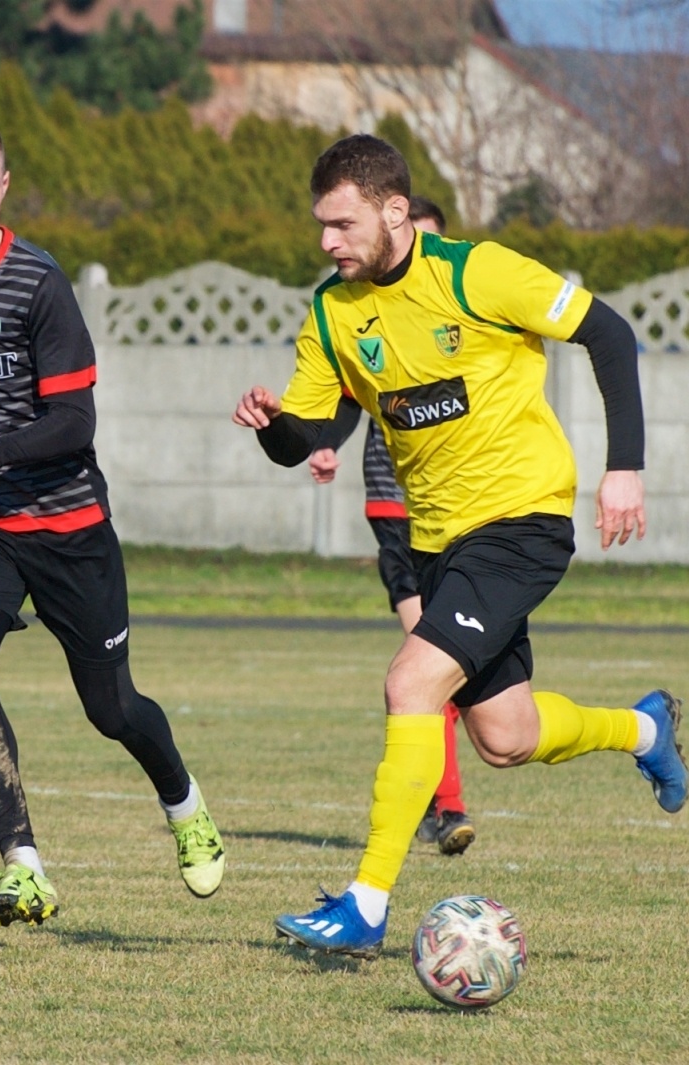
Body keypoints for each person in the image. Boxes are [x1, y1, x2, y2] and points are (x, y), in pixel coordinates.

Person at [231, 134, 689, 958]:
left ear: (393, 211)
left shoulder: (477, 272)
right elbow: (309, 434)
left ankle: (365, 905)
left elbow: (610, 333)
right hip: (438, 540)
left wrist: (625, 467)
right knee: (506, 736)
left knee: (410, 681)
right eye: (321, 225)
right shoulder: (334, 311)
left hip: (521, 520)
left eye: (341, 224)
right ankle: (644, 729)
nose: (327, 241)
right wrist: (272, 426)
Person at [0, 116, 225, 927]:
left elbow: (74, 421)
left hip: (66, 524)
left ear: (5, 187)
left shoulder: (38, 282)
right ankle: (23, 866)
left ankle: (183, 802)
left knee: (112, 708)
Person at [305, 195, 475, 857]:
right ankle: (446, 804)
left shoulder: (458, 313)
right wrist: (326, 442)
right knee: (428, 656)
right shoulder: (366, 316)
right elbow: (351, 394)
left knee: (456, 676)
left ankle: (439, 798)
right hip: (395, 509)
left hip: (460, 510)